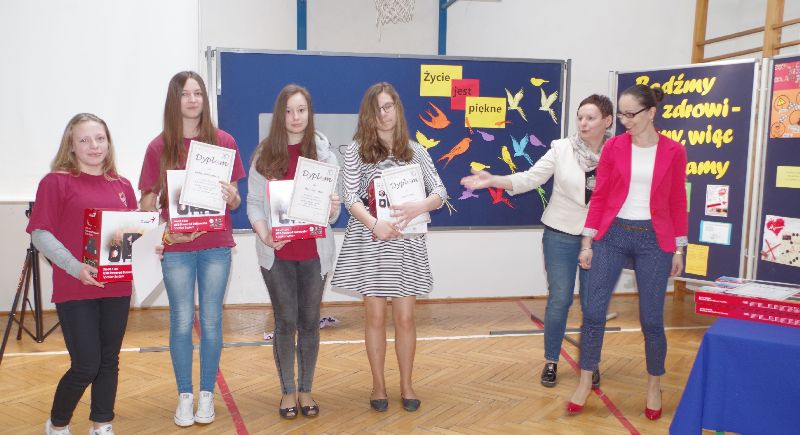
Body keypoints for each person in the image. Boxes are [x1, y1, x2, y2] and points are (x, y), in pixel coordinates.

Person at [460, 94, 614, 388]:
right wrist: (494, 180)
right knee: (560, 299)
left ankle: (590, 363)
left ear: (607, 121)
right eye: (580, 117)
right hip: (559, 233)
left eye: (591, 118)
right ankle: (551, 360)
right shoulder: (561, 148)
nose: (583, 123)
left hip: (598, 237)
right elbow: (530, 178)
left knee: (593, 304)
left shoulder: (618, 153)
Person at [566, 84, 687, 420]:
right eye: (621, 114)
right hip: (613, 234)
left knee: (651, 319)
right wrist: (587, 242)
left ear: (651, 113)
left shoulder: (674, 151)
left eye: (630, 114)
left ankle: (654, 386)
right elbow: (600, 195)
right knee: (593, 312)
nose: (624, 120)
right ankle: (585, 381)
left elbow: (678, 200)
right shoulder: (614, 147)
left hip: (654, 239)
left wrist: (679, 248)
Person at [331, 82, 448, 413]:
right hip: (373, 243)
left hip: (407, 245)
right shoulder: (356, 151)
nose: (384, 114)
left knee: (406, 319)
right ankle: (378, 385)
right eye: (378, 108)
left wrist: (419, 206)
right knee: (375, 317)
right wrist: (374, 224)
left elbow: (440, 192)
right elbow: (350, 197)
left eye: (389, 106)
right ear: (368, 115)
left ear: (397, 108)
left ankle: (407, 385)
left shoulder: (416, 151)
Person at [138, 71, 245, 427]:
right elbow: (146, 204)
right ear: (175, 100)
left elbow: (235, 200)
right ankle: (185, 394)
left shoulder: (223, 141)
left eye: (198, 93)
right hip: (177, 248)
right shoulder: (158, 147)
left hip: (216, 246)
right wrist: (161, 215)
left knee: (211, 321)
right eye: (185, 94)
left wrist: (232, 196)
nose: (193, 99)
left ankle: (207, 394)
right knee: (182, 321)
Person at [28, 113, 139, 435]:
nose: (94, 146)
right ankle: (58, 424)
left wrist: (150, 247)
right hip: (75, 287)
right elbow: (40, 234)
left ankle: (102, 424)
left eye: (100, 138)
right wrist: (76, 267)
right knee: (86, 365)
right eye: (85, 140)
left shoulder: (122, 185)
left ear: (108, 142)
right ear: (71, 145)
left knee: (109, 361)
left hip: (116, 287)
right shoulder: (56, 182)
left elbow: (130, 235)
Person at [246, 84, 341, 419]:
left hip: (315, 254)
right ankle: (288, 391)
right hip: (277, 255)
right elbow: (254, 204)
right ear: (280, 115)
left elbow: (332, 214)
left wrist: (333, 207)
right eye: (288, 111)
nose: (295, 117)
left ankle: (306, 390)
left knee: (310, 323)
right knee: (286, 322)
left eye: (301, 110)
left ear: (309, 113)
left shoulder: (324, 155)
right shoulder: (264, 155)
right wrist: (265, 234)